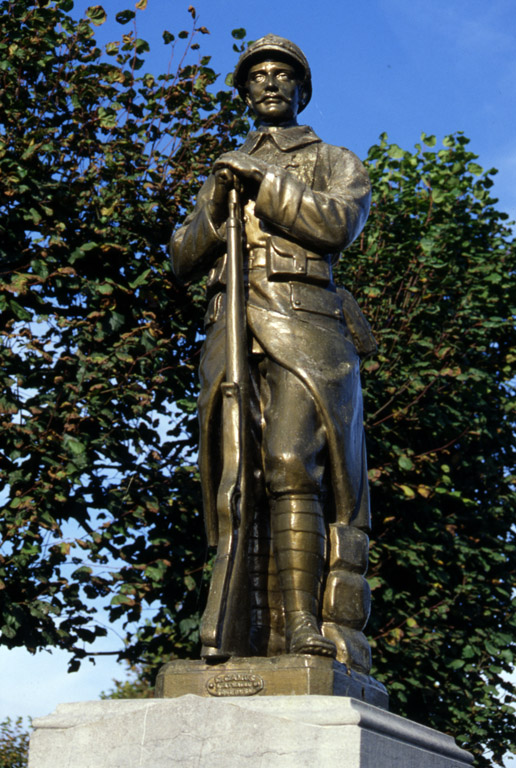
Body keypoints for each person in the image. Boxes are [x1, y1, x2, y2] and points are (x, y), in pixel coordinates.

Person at [170, 34, 374, 661]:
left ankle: (306, 625)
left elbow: (337, 224)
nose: (269, 82)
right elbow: (182, 256)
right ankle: (248, 629)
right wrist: (216, 210)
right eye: (257, 74)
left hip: (304, 320)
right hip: (232, 324)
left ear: (300, 88)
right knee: (238, 479)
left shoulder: (333, 159)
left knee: (291, 463)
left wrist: (263, 181)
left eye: (282, 74)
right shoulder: (224, 168)